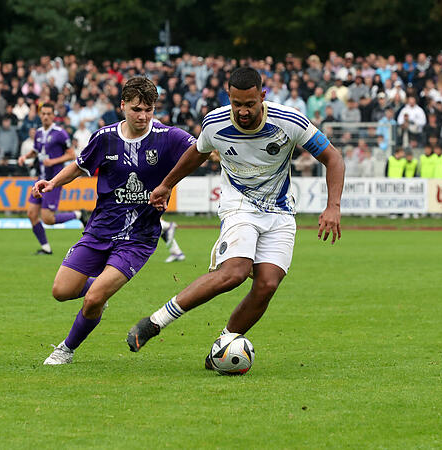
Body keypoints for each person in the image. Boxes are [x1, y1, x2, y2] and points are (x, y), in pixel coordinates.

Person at [124, 67, 345, 371]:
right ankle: (154, 322)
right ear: (228, 96)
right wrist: (166, 185)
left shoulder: (289, 121)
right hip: (238, 205)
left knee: (267, 285)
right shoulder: (215, 122)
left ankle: (222, 346)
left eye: (249, 104)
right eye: (236, 103)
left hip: (280, 211)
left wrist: (333, 206)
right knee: (235, 273)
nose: (242, 111)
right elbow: (198, 152)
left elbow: (333, 157)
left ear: (262, 96)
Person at [35, 77, 196, 365]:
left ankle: (65, 350)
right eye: (136, 109)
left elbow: (202, 150)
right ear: (122, 105)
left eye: (148, 109)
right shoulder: (105, 137)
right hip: (100, 229)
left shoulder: (168, 136)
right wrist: (53, 183)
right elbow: (80, 166)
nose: (143, 116)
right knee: (61, 291)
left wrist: (168, 184)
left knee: (93, 299)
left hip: (138, 238)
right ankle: (100, 292)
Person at [18, 102, 87, 255]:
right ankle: (46, 248)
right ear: (40, 115)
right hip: (40, 179)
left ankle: (78, 214)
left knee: (48, 219)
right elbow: (36, 151)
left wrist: (53, 161)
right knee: (31, 214)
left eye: (49, 114)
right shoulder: (38, 133)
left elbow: (71, 155)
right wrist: (25, 157)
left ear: (53, 115)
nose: (46, 116)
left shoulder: (60, 133)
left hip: (53, 181)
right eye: (43, 113)